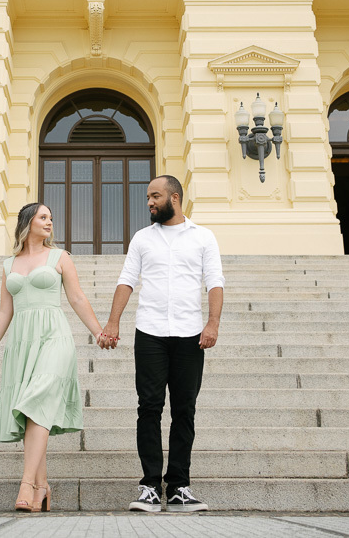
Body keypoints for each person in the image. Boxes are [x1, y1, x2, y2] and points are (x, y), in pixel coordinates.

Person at [101, 175, 225, 514]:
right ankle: (151, 487)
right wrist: (113, 322)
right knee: (149, 407)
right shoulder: (143, 238)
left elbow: (214, 282)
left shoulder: (203, 237)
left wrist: (212, 323)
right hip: (150, 333)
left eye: (155, 196)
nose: (149, 202)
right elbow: (127, 280)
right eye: (147, 197)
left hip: (190, 334)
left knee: (184, 409)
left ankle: (180, 486)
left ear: (175, 197)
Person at [0, 202, 105, 513]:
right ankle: (42, 487)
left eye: (51, 218)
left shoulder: (60, 258)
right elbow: (5, 310)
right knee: (32, 411)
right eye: (43, 217)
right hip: (21, 342)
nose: (49, 223)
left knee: (38, 399)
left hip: (54, 337)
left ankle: (26, 484)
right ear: (28, 222)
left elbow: (76, 297)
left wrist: (99, 331)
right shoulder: (9, 265)